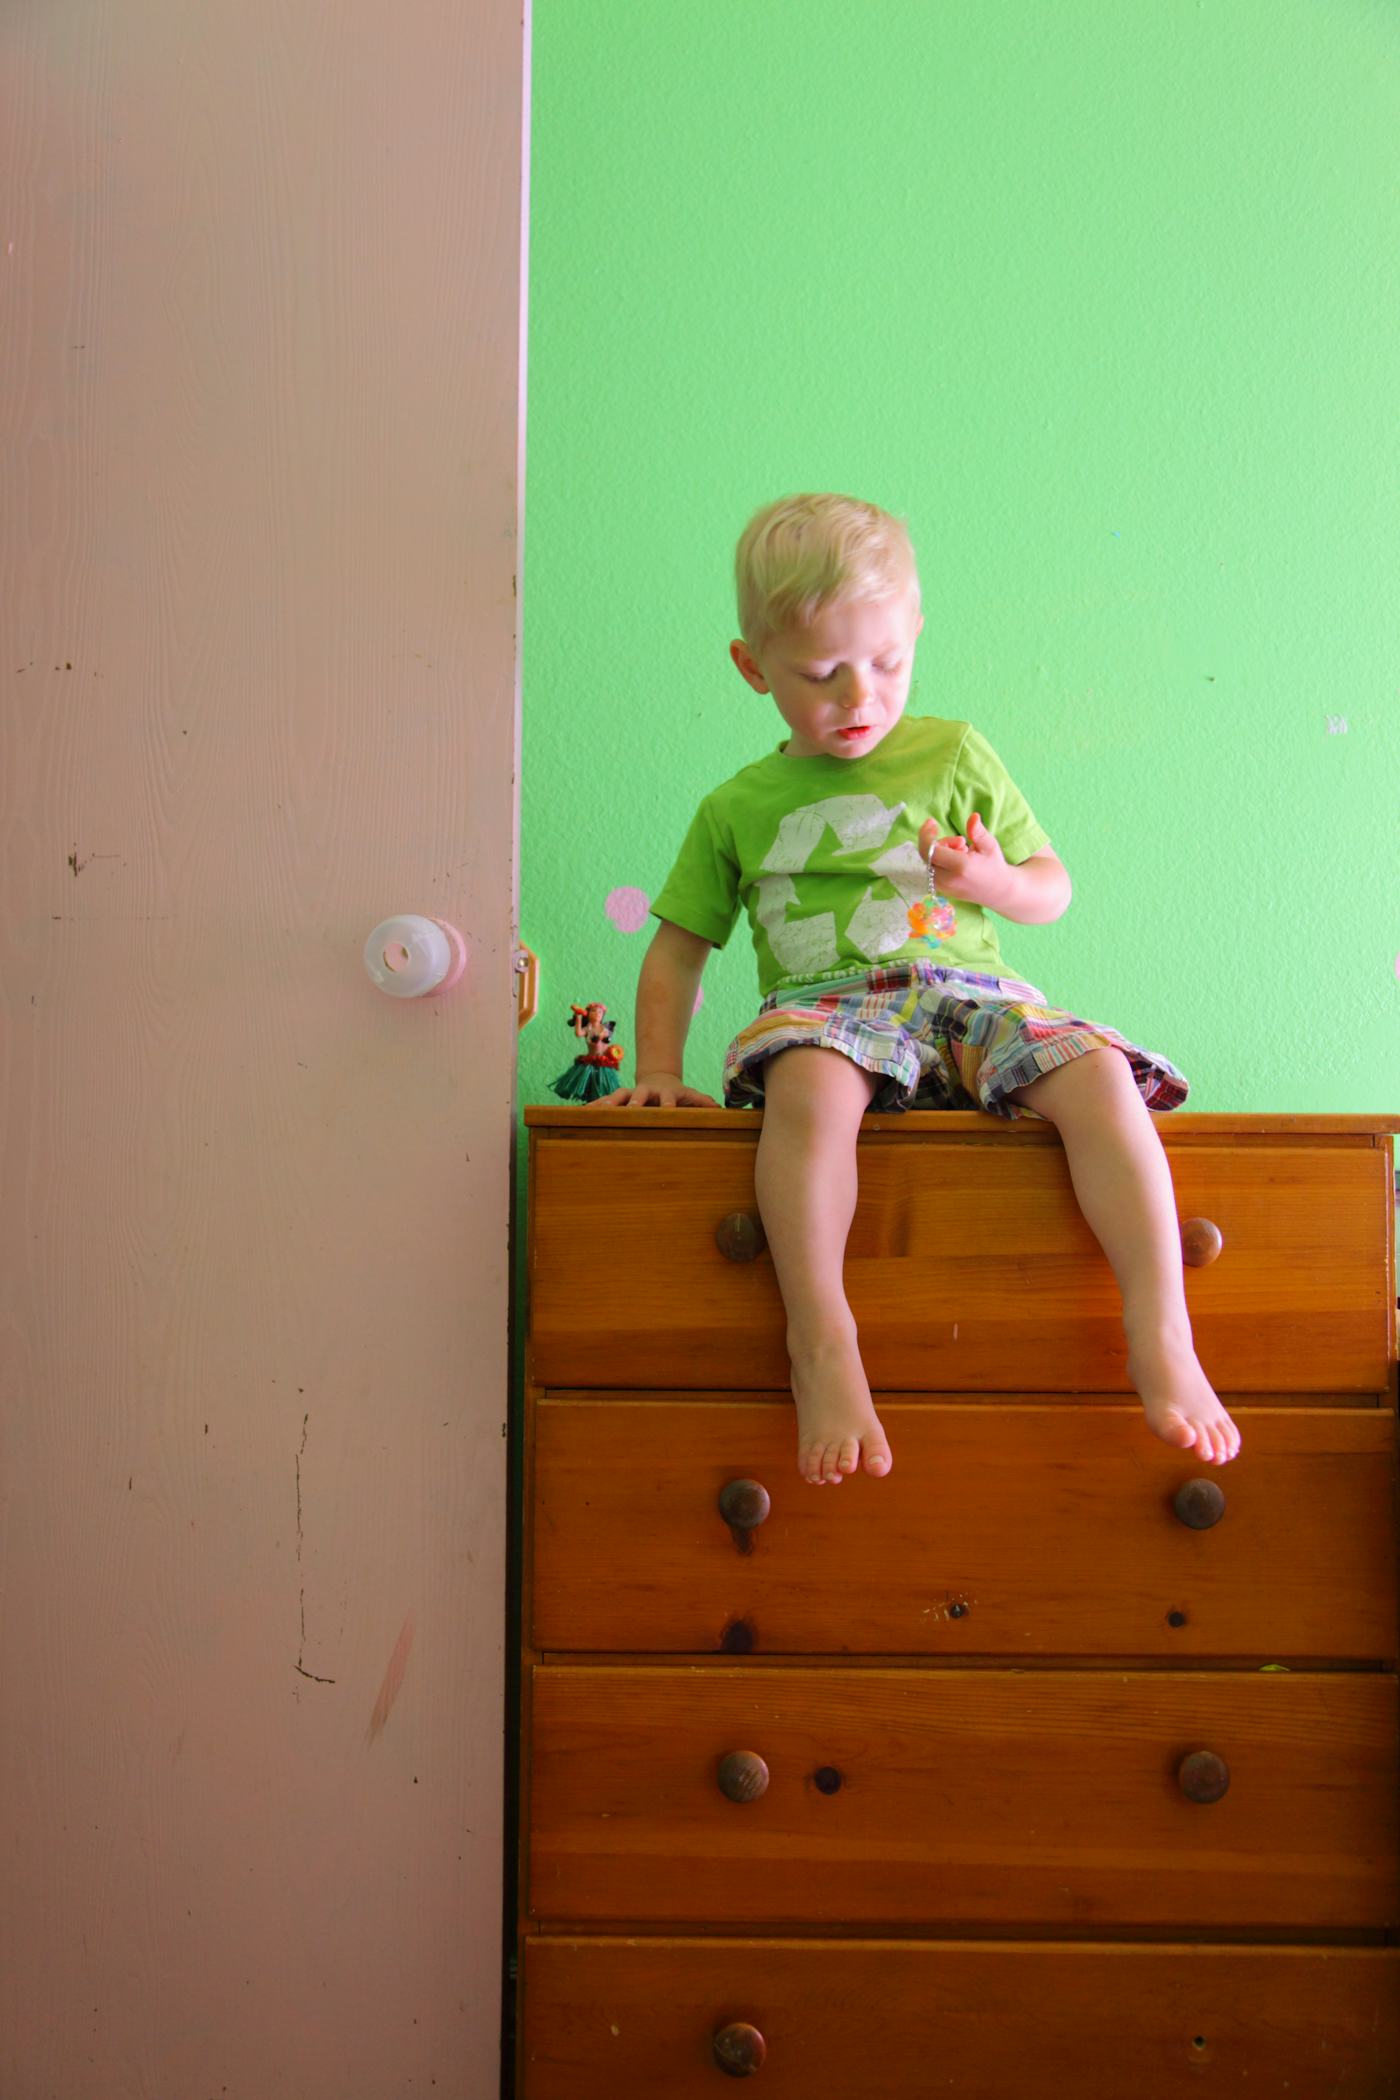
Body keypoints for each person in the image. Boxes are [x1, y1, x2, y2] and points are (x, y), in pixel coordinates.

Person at [596, 493, 1241, 1485]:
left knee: (1099, 1074)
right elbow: (679, 948)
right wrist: (653, 1069)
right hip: (829, 1007)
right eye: (820, 673)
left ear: (914, 637)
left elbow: (1049, 890)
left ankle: (1160, 1335)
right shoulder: (734, 806)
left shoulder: (952, 752)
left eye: (888, 663)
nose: (859, 694)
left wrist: (991, 882)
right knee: (805, 1087)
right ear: (750, 666)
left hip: (968, 995)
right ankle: (820, 1339)